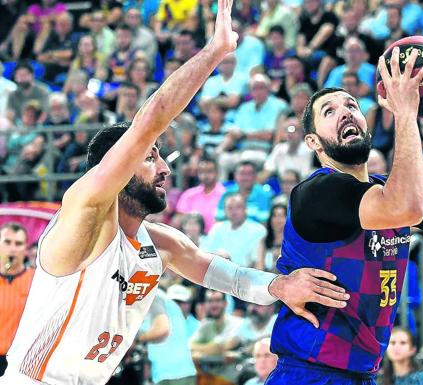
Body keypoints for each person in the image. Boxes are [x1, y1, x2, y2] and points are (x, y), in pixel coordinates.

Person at [0, 2, 348, 384]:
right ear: (115, 167)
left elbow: (223, 275)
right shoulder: (83, 215)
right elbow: (150, 119)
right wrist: (215, 51)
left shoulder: (160, 244)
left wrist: (278, 286)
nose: (165, 168)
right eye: (151, 157)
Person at [267, 49, 423, 383]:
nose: (345, 113)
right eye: (329, 111)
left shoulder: (387, 191)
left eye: (351, 105)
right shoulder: (316, 193)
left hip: (360, 373)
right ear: (313, 142)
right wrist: (407, 113)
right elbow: (404, 206)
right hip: (310, 372)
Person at [0, 223, 35, 377]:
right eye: (7, 242)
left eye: (18, 243)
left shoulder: (37, 280)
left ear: (25, 249)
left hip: (20, 362)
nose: (12, 248)